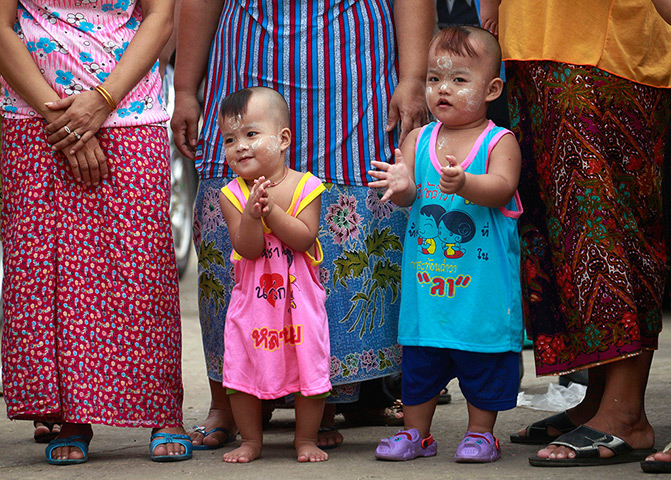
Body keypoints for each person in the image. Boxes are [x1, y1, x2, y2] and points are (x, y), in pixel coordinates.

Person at [170, 0, 435, 450]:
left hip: (350, 60)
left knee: (349, 222)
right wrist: (184, 86)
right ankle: (226, 401)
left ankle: (326, 398)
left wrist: (412, 77)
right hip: (247, 51)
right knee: (232, 222)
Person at [0, 0, 191, 465]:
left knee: (139, 268)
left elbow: (160, 17)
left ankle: (163, 410)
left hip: (128, 111)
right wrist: (61, 121)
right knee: (49, 273)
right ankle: (70, 414)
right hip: (34, 116)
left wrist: (101, 100)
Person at [498, 0, 671, 468]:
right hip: (533, 38)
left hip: (605, 47)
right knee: (566, 238)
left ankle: (626, 412)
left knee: (609, 230)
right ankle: (599, 397)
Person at [369, 25, 523, 463]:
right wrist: (400, 186)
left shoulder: (500, 141)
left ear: (492, 88)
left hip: (482, 299)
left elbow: (501, 188)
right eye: (435, 79)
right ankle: (416, 433)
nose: (443, 89)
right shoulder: (418, 141)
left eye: (459, 79)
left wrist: (466, 182)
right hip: (427, 295)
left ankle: (481, 433)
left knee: (484, 363)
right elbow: (408, 197)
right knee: (420, 366)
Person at [216, 87, 330, 463]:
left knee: (309, 371)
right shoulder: (231, 194)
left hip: (301, 306)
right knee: (242, 373)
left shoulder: (307, 186)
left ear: (283, 140)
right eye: (230, 139)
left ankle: (305, 439)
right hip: (254, 306)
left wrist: (270, 214)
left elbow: (304, 237)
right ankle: (251, 439)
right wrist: (250, 216)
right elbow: (248, 249)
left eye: (251, 134)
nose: (240, 147)